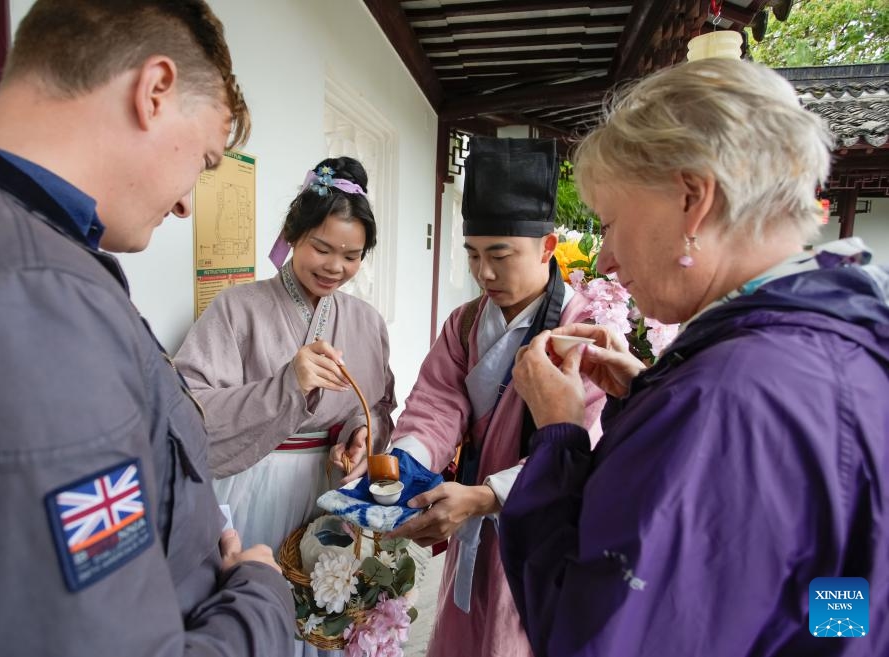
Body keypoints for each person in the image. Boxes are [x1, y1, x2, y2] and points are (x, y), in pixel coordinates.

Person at [0, 2, 294, 655]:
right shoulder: (31, 303)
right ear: (154, 91)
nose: (186, 201)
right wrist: (260, 597)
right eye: (205, 159)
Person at [503, 58, 889, 657]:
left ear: (693, 199)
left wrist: (558, 432)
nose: (604, 260)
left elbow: (592, 631)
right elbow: (835, 598)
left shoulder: (725, 400)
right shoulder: (843, 342)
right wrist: (654, 391)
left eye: (609, 224)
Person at [345, 137, 607, 657]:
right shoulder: (466, 324)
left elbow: (587, 440)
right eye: (472, 254)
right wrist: (402, 466)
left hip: (536, 524)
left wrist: (489, 496)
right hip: (468, 518)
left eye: (500, 255)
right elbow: (436, 404)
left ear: (547, 247)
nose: (483, 273)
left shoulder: (584, 331)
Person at [174, 156, 395, 552]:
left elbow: (378, 406)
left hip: (332, 489)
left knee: (330, 602)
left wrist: (361, 434)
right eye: (321, 248)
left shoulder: (369, 322)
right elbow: (187, 410)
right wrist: (286, 385)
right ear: (293, 235)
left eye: (351, 256)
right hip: (253, 483)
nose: (334, 267)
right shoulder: (236, 307)